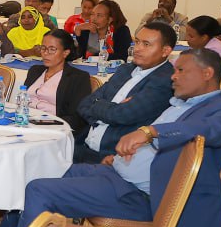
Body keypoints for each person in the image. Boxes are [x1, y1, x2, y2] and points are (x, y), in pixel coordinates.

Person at [0, 49, 221, 227]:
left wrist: (150, 132)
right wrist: (121, 159)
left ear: (207, 73)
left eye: (181, 70)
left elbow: (211, 130)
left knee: (39, 190)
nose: (173, 76)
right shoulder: (180, 103)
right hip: (115, 174)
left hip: (140, 196)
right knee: (35, 174)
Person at [74, 22, 176, 163]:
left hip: (112, 157)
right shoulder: (126, 69)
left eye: (146, 44)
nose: (137, 49)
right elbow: (84, 104)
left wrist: (98, 105)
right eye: (137, 42)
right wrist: (107, 110)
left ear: (165, 51)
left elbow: (121, 115)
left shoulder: (165, 81)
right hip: (83, 145)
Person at [24, 30, 92, 135]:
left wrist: (46, 123)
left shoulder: (78, 78)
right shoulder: (35, 71)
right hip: (25, 121)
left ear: (65, 53)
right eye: (43, 48)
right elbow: (22, 99)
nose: (45, 53)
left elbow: (77, 117)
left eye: (52, 49)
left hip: (54, 127)